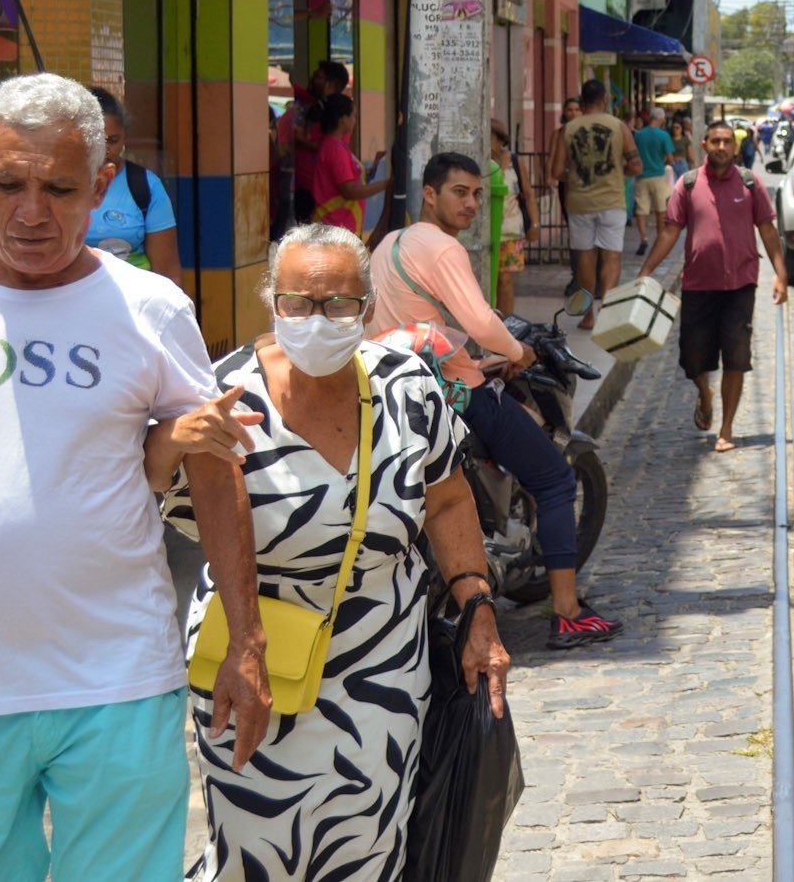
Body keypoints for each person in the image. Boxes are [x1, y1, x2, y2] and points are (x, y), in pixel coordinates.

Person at [0, 73, 271, 881]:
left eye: (60, 189)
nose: (31, 212)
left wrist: (247, 638)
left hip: (115, 676)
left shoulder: (150, 308)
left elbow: (213, 463)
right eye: (8, 184)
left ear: (101, 184)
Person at [156, 223, 509, 879]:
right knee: (252, 856)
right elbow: (162, 492)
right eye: (299, 302)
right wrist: (174, 437)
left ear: (368, 307)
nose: (317, 320)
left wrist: (478, 607)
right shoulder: (224, 393)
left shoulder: (408, 387)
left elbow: (450, 499)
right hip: (252, 660)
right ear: (273, 303)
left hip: (382, 671)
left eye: (338, 304)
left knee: (370, 849)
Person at [371, 153, 623, 648]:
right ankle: (568, 613)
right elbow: (485, 323)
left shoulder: (389, 245)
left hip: (397, 389)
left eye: (476, 194)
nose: (470, 204)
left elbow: (424, 322)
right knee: (552, 478)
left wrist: (481, 348)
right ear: (429, 194)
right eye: (458, 192)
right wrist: (516, 350)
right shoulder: (441, 247)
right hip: (455, 392)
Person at [636, 121, 788, 451]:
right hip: (698, 285)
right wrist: (647, 270)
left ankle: (727, 429)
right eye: (715, 141)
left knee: (736, 356)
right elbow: (669, 232)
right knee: (692, 357)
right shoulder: (688, 184)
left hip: (740, 285)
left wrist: (780, 273)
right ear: (704, 144)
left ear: (735, 147)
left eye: (727, 142)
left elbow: (767, 229)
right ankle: (705, 395)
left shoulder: (750, 182)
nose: (721, 147)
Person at [550, 79, 637, 328]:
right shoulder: (618, 126)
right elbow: (636, 165)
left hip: (579, 202)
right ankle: (607, 314)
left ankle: (588, 316)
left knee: (585, 259)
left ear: (582, 100)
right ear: (605, 99)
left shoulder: (569, 128)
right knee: (611, 258)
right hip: (612, 201)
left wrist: (577, 174)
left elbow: (556, 171)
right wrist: (616, 174)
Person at [85, 86, 186, 288]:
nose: (105, 150)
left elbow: (168, 272)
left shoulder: (145, 186)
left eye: (113, 140)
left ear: (124, 135)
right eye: (95, 142)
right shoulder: (55, 184)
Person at [276, 61, 351, 226]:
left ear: (331, 84)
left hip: (314, 191)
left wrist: (300, 140)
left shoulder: (336, 111)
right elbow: (296, 88)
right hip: (295, 184)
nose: (312, 79)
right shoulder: (313, 103)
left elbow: (328, 146)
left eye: (318, 77)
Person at [303, 93, 387, 234]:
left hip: (340, 226)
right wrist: (385, 184)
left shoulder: (335, 145)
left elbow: (348, 180)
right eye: (353, 115)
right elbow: (349, 191)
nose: (355, 120)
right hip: (336, 226)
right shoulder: (335, 149)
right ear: (343, 119)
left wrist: (368, 172)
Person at [489, 120, 537, 314]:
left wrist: (534, 224)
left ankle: (506, 323)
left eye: (491, 137)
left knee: (505, 280)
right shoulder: (479, 162)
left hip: (510, 230)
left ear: (500, 139)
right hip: (486, 232)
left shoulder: (515, 162)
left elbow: (529, 194)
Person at [631, 107, 676, 257]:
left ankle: (643, 238)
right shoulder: (664, 135)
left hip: (641, 177)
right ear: (661, 119)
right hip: (658, 176)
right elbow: (670, 159)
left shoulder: (639, 135)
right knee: (661, 210)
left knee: (641, 210)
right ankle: (660, 240)